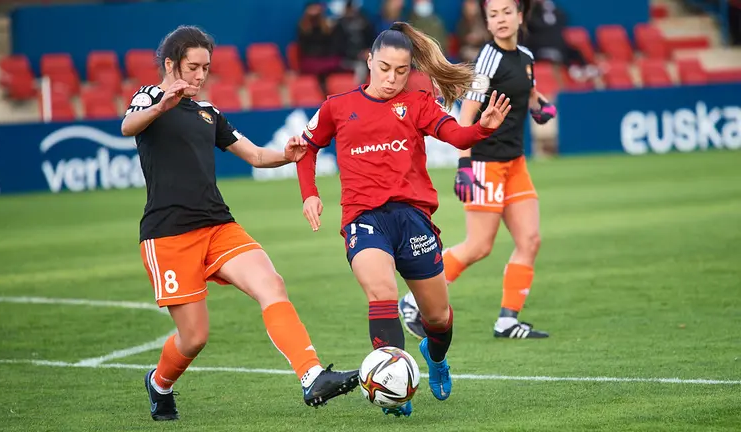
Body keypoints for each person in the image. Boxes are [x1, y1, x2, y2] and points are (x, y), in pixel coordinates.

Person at [120, 25, 359, 422]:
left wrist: (288, 154)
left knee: (272, 284)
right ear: (169, 64)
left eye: (206, 68)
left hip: (217, 225)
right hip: (168, 235)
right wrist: (161, 106)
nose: (199, 76)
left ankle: (311, 375)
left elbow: (256, 157)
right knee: (194, 337)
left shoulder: (208, 113)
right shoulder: (150, 98)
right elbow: (128, 126)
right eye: (192, 67)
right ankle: (159, 384)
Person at [294, 22, 511, 417]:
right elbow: (306, 148)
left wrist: (481, 129)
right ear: (369, 61)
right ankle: (395, 394)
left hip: (413, 218)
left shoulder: (418, 104)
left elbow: (457, 136)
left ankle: (435, 357)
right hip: (364, 218)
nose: (392, 78)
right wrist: (310, 193)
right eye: (385, 68)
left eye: (402, 70)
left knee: (438, 317)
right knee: (382, 294)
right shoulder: (336, 107)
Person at [400, 0, 556, 341]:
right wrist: (465, 165)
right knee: (478, 246)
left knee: (530, 240)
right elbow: (466, 116)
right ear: (487, 22)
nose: (500, 20)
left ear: (519, 16)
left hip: (515, 163)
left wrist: (538, 106)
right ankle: (413, 301)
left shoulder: (526, 57)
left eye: (505, 12)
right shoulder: (488, 59)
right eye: (493, 15)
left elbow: (525, 89)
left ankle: (507, 321)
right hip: (485, 163)